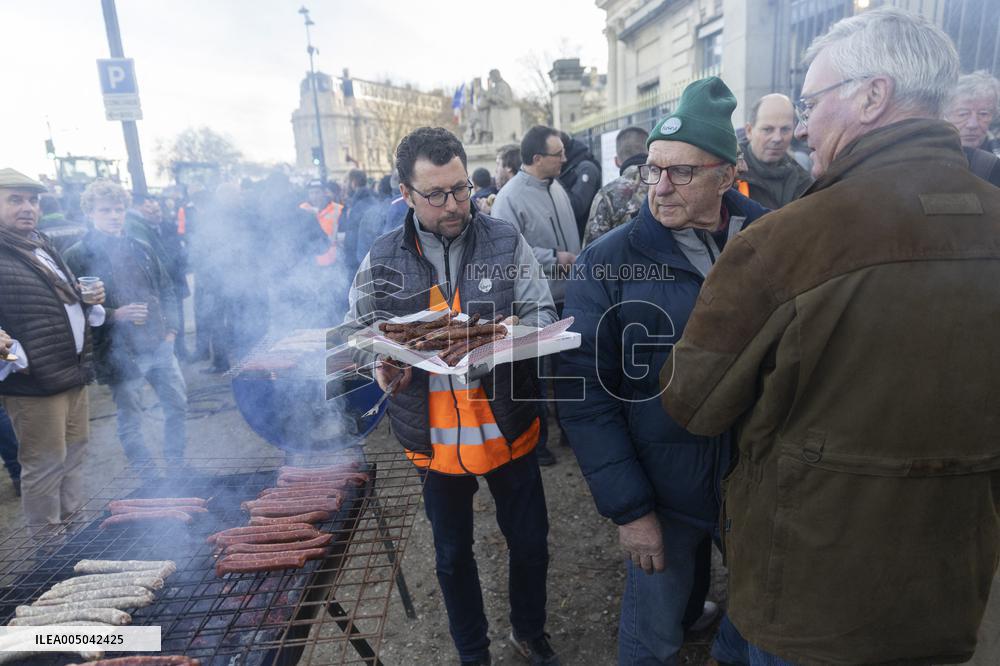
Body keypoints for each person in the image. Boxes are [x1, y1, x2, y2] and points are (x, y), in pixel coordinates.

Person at [660, 9, 1000, 665]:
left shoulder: (789, 240)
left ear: (873, 96)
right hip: (948, 593)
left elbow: (690, 402)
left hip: (807, 600)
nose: (805, 125)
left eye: (814, 103)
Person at [557, 77, 766, 666]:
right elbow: (583, 392)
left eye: (682, 172)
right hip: (664, 492)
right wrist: (631, 509)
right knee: (651, 637)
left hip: (757, 486)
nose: (660, 187)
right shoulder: (610, 260)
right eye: (653, 169)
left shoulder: (774, 242)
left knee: (761, 625)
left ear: (726, 176)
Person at [345, 127, 559, 666]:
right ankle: (472, 652)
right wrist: (380, 364)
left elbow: (543, 314)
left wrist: (511, 337)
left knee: (530, 543)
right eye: (436, 194)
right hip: (433, 437)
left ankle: (528, 631)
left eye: (461, 189)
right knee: (450, 556)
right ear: (406, 192)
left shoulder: (505, 240)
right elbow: (358, 330)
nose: (454, 205)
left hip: (508, 425)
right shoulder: (382, 256)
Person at [0, 168, 105, 525]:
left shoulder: (40, 244)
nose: (27, 207)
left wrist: (89, 302)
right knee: (45, 467)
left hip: (70, 372)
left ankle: (75, 533)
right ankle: (49, 548)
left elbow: (61, 298)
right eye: (15, 200)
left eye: (32, 200)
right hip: (35, 383)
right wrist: (15, 358)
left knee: (74, 457)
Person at [65, 180, 186, 471]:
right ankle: (148, 476)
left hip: (159, 343)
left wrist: (171, 331)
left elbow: (166, 289)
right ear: (90, 212)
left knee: (178, 406)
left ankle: (178, 467)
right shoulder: (77, 255)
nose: (114, 215)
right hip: (118, 352)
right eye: (105, 210)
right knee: (132, 417)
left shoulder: (140, 246)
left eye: (119, 209)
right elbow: (72, 307)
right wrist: (113, 314)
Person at [491, 126, 581, 465]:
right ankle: (537, 441)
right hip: (534, 301)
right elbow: (505, 251)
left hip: (567, 294)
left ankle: (571, 431)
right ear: (537, 158)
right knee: (537, 376)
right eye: (558, 154)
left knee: (568, 369)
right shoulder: (509, 198)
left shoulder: (557, 187)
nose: (564, 159)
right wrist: (553, 258)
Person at [125, 193, 191, 360]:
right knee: (165, 316)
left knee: (178, 316)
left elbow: (179, 250)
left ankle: (181, 350)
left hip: (176, 279)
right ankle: (170, 350)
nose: (157, 215)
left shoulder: (169, 226)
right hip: (161, 281)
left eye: (158, 211)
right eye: (153, 212)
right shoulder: (141, 229)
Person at [740, 94, 813, 208]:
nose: (777, 138)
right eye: (768, 129)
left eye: (785, 129)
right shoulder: (730, 175)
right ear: (749, 131)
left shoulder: (803, 180)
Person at [582, 125, 649, 245]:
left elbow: (591, 252)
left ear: (616, 161)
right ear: (649, 152)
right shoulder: (669, 183)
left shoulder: (607, 195)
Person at [943, 71, 1000, 186]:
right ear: (945, 115)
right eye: (963, 114)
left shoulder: (996, 151)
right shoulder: (931, 151)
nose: (972, 124)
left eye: (983, 114)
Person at [558, 132, 601, 240]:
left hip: (585, 239)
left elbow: (578, 207)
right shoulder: (567, 167)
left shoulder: (586, 168)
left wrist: (555, 181)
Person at [300, 178, 344, 267]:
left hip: (332, 260)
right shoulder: (302, 209)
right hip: (308, 262)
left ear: (325, 193)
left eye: (317, 192)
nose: (314, 196)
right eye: (311, 193)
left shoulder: (338, 209)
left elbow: (344, 233)